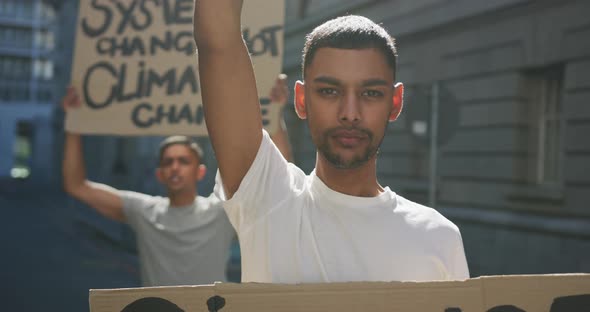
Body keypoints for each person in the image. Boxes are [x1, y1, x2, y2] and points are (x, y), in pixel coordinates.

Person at [193, 1, 469, 284]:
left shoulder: (439, 237)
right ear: (301, 100)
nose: (350, 113)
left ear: (395, 103)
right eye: (329, 91)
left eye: (371, 93)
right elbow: (217, 38)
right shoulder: (266, 200)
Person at [61, 75, 293, 286]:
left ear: (199, 172)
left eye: (183, 161)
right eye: (168, 162)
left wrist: (275, 114)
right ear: (159, 174)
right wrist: (73, 124)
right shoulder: (143, 211)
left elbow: (278, 182)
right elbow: (76, 186)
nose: (175, 167)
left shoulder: (220, 212)